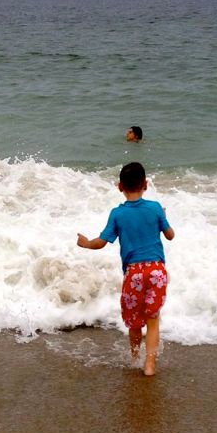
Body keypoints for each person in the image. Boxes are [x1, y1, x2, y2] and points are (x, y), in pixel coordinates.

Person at [77, 161, 174, 376]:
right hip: (157, 271)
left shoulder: (117, 214)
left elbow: (102, 242)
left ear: (120, 187)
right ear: (145, 185)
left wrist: (86, 243)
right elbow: (170, 235)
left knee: (134, 321)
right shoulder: (156, 208)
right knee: (153, 320)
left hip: (133, 273)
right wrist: (163, 218)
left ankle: (134, 358)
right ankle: (149, 365)